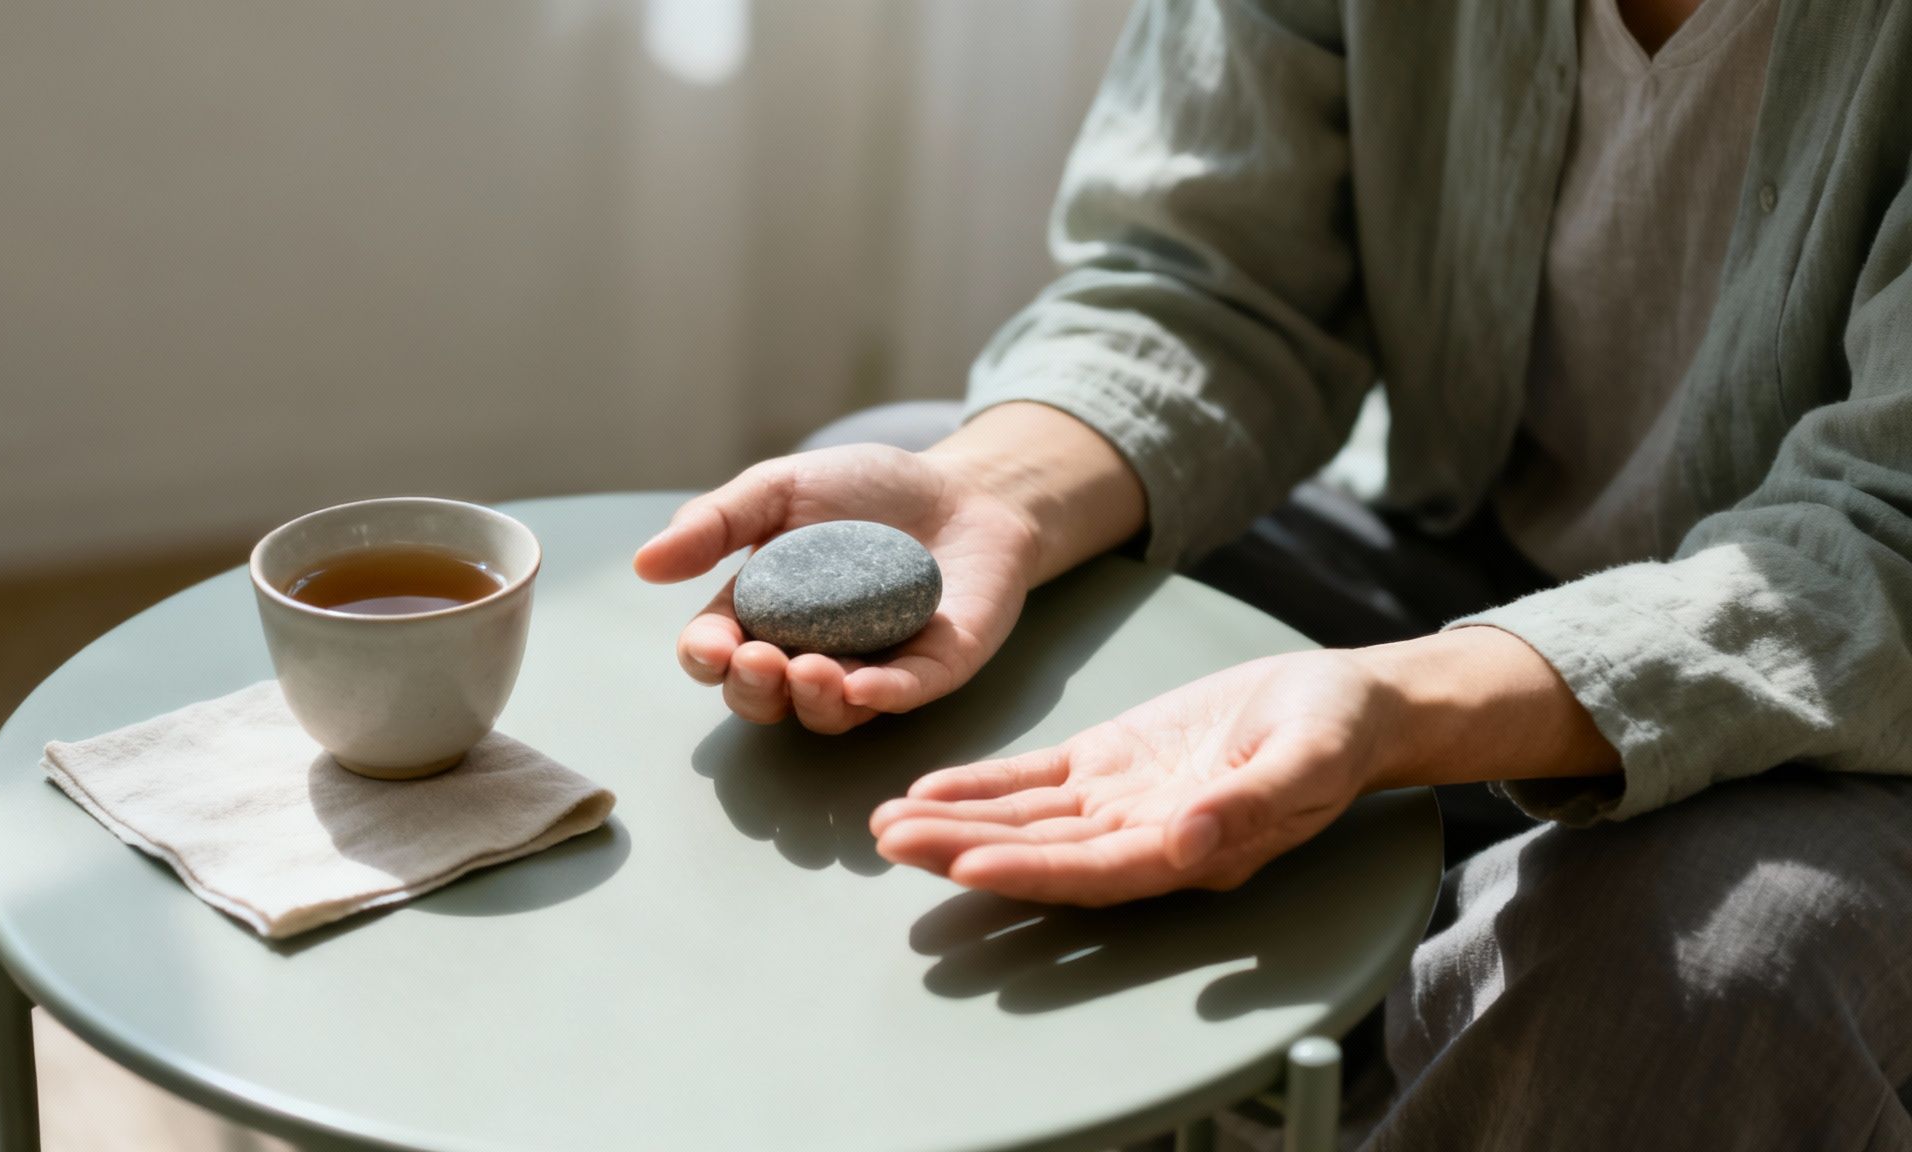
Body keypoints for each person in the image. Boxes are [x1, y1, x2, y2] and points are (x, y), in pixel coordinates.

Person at [635, 0, 1912, 1145]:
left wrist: (1407, 707)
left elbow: (1886, 533)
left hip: (1853, 705)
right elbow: (1214, 276)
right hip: (1455, 561)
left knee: (1705, 955)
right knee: (918, 476)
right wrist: (995, 495)